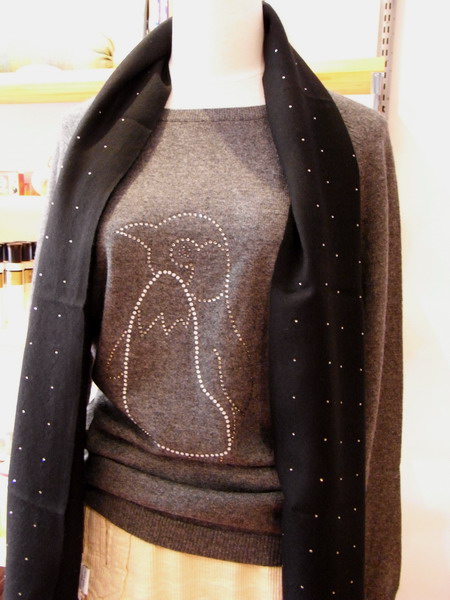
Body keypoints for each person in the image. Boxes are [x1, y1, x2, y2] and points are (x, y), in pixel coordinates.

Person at [5, 2, 402, 599]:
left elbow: (375, 372)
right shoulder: (87, 137)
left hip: (275, 551)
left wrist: (370, 572)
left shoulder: (350, 142)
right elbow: (54, 342)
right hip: (117, 530)